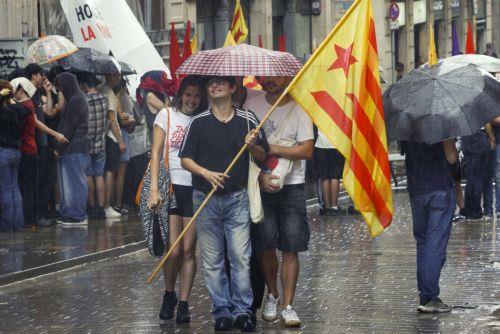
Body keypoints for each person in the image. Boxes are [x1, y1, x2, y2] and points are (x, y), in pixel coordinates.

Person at [180, 76, 268, 332]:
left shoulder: (248, 120)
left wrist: (252, 147)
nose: (213, 86)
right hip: (204, 199)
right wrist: (206, 173)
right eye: (210, 84)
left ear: (233, 88)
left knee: (240, 257)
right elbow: (185, 158)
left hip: (237, 198)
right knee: (212, 259)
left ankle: (243, 311)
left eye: (220, 83)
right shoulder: (198, 122)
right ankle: (222, 311)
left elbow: (263, 155)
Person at [244, 76, 314, 327]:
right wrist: (260, 174)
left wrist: (272, 147)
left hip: (292, 185)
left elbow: (306, 150)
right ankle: (272, 296)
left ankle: (288, 305)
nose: (271, 81)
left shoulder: (300, 107)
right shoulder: (251, 104)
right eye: (267, 77)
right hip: (260, 185)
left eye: (277, 77)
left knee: (291, 246)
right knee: (265, 245)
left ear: (288, 78)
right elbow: (248, 148)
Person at [147, 75, 207, 324]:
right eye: (188, 94)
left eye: (196, 95)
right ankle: (169, 293)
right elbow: (157, 152)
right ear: (180, 94)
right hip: (171, 187)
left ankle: (184, 303)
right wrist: (153, 188)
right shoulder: (167, 115)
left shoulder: (205, 119)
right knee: (172, 251)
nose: (192, 100)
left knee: (187, 250)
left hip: (195, 189)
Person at [402, 139, 457, 312]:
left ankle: (425, 295)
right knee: (435, 243)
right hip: (439, 187)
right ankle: (429, 295)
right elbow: (452, 157)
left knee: (423, 242)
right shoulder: (442, 122)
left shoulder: (408, 123)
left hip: (416, 189)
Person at [10, 77, 68, 227]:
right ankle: (30, 218)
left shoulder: (22, 106)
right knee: (29, 186)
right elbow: (38, 122)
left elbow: (38, 121)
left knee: (27, 186)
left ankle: (29, 218)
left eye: (14, 92)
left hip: (26, 150)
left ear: (21, 90)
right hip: (31, 149)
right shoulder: (29, 103)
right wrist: (55, 134)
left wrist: (55, 134)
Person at [54, 73, 90, 225]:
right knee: (71, 183)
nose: (59, 91)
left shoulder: (76, 100)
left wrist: (59, 149)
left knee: (74, 183)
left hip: (73, 147)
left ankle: (77, 215)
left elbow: (69, 127)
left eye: (60, 87)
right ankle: (70, 213)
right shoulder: (77, 97)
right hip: (76, 147)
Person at [0, 80, 29, 231]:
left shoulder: (2, 112)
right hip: (16, 153)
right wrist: (11, 97)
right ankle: (18, 224)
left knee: (5, 190)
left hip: (3, 153)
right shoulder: (18, 110)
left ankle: (7, 225)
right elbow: (25, 110)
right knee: (15, 188)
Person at [79, 73, 108, 220]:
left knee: (89, 176)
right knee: (99, 175)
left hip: (87, 144)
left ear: (85, 85)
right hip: (101, 142)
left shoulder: (84, 99)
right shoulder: (104, 99)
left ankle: (91, 207)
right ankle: (101, 208)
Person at [98, 73, 124, 218]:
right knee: (110, 172)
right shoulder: (108, 92)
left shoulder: (100, 89)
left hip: (102, 136)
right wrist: (120, 140)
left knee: (103, 172)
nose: (118, 79)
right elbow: (112, 119)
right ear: (110, 76)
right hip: (111, 137)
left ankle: (104, 206)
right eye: (117, 76)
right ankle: (107, 207)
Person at [462, 126, 495, 220]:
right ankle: (475, 212)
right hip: (478, 137)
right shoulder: (479, 110)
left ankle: (469, 210)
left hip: (466, 137)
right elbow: (486, 121)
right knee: (478, 177)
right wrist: (492, 138)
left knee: (471, 177)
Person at [114, 80, 136, 214]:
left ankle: (116, 203)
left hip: (118, 136)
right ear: (122, 88)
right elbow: (122, 120)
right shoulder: (117, 100)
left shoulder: (115, 99)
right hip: (122, 136)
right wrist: (132, 118)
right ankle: (118, 203)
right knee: (121, 174)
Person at [136, 70, 177, 137]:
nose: (165, 81)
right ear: (156, 79)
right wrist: (166, 96)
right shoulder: (149, 95)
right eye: (163, 78)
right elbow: (167, 110)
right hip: (157, 134)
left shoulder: (157, 94)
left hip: (160, 132)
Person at [314, 129, 345, 216]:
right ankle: (334, 207)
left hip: (320, 144)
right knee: (335, 176)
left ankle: (327, 207)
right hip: (335, 144)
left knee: (325, 177)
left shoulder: (320, 114)